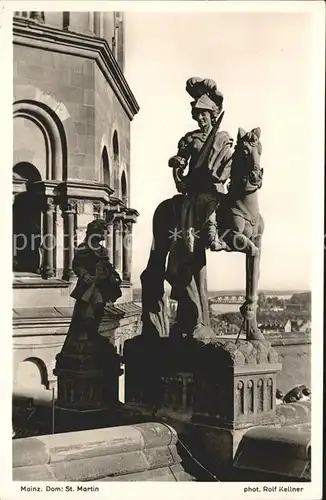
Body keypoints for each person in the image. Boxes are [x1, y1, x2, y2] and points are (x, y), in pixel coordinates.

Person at [168, 77, 233, 251]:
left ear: (212, 115)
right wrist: (178, 178)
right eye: (198, 115)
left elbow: (229, 163)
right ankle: (213, 239)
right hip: (197, 191)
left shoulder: (224, 138)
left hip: (216, 188)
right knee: (207, 200)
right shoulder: (191, 138)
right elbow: (178, 163)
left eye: (203, 114)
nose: (200, 118)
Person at [66, 219, 122, 344]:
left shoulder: (102, 250)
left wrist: (115, 275)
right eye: (103, 231)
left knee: (99, 309)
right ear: (96, 232)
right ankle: (86, 335)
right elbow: (76, 265)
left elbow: (108, 266)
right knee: (90, 310)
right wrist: (84, 274)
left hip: (102, 285)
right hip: (90, 287)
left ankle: (92, 333)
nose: (106, 233)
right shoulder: (84, 247)